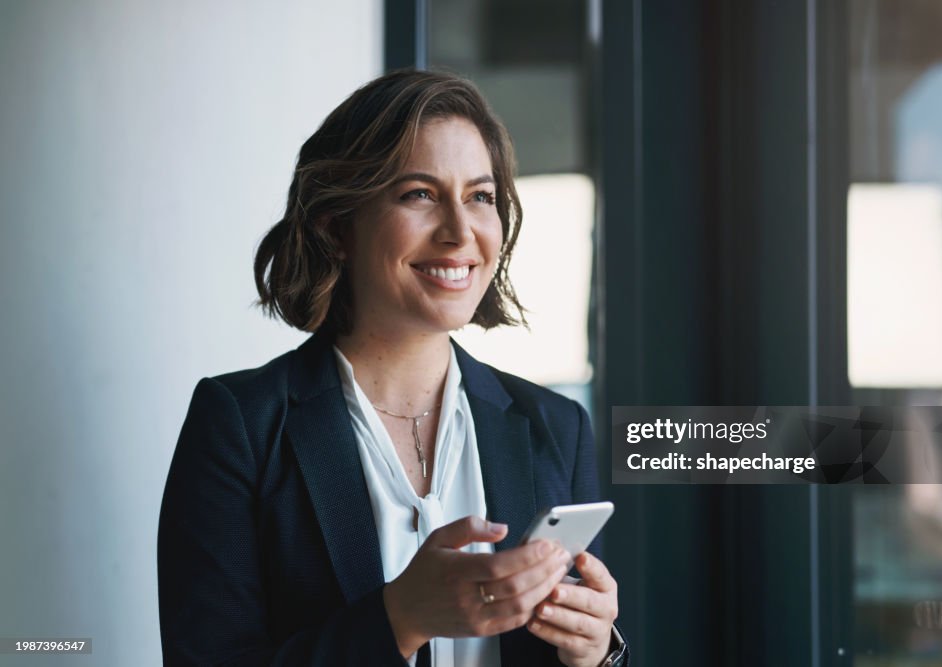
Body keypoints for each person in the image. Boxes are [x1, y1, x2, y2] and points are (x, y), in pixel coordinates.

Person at [157, 69, 628, 666]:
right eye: (420, 195)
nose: (460, 232)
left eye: (480, 197)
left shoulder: (556, 428)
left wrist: (595, 654)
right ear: (338, 225)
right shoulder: (241, 426)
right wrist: (400, 619)